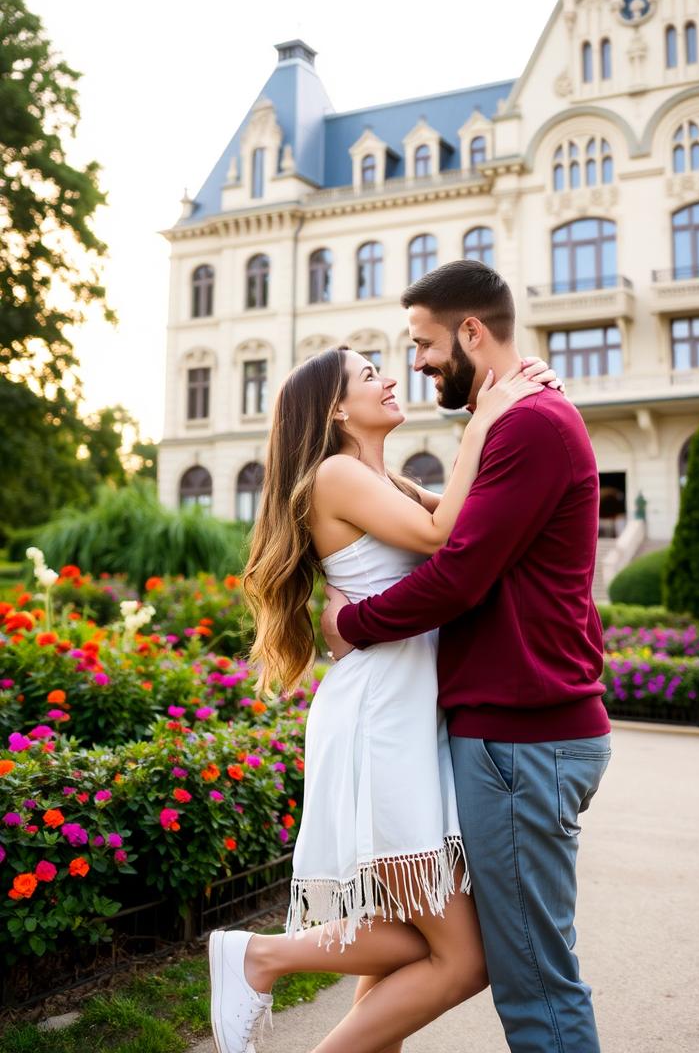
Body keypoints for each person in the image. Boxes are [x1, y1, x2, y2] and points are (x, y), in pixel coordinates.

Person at [208, 336, 560, 1053]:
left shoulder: (383, 480)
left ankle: (263, 962)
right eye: (371, 375)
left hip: (403, 710)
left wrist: (530, 395)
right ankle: (257, 957)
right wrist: (487, 420)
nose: (391, 379)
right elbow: (441, 535)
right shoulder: (336, 475)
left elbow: (475, 515)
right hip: (383, 720)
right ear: (337, 409)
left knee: (406, 939)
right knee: (463, 958)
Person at [322, 260, 612, 1053]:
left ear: (472, 332)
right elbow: (460, 530)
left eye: (422, 343)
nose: (415, 361)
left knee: (535, 985)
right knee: (442, 942)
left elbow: (458, 575)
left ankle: (257, 963)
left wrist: (355, 624)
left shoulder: (527, 424)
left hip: (524, 739)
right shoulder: (515, 417)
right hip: (516, 734)